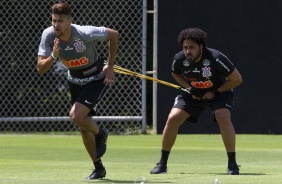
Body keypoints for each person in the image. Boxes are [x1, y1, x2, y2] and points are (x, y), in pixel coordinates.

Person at [37, 2, 119, 180]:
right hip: (74, 80)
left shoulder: (84, 32)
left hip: (96, 78)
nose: (56, 25)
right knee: (83, 126)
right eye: (53, 20)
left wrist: (110, 66)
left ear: (70, 21)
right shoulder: (48, 35)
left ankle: (101, 134)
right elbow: (41, 69)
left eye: (60, 21)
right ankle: (99, 168)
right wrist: (53, 56)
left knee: (75, 116)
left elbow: (113, 35)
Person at [150, 27, 242, 175]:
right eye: (185, 47)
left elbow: (237, 79)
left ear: (201, 46)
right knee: (173, 118)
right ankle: (162, 164)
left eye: (192, 47)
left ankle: (232, 164)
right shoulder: (179, 59)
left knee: (223, 116)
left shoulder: (216, 58)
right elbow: (176, 75)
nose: (188, 51)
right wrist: (189, 87)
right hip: (192, 93)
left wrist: (214, 92)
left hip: (219, 92)